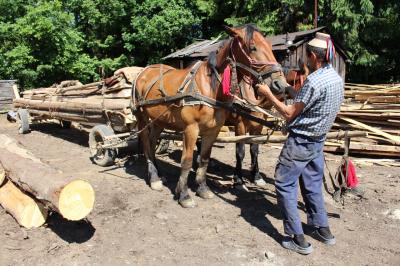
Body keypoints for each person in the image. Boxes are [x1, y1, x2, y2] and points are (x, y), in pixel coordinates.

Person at [255, 32, 344, 255]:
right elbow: (310, 101)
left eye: (307, 56)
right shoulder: (335, 77)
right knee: (312, 185)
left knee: (284, 184)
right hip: (317, 142)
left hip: (300, 142)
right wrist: (291, 90)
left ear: (314, 56)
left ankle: (297, 238)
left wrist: (267, 93)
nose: (305, 59)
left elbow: (287, 113)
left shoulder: (313, 81)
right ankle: (322, 229)